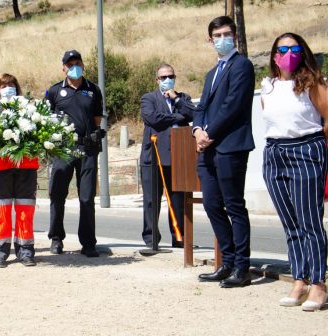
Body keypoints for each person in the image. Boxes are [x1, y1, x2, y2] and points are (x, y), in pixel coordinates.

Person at [260, 33, 328, 311]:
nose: (288, 53)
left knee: (309, 221)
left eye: (294, 48)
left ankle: (318, 283)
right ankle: (299, 279)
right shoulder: (268, 86)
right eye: (282, 48)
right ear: (274, 54)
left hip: (306, 149)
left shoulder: (313, 83)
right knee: (290, 223)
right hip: (275, 153)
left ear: (303, 51)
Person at [194, 16, 255, 288]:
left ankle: (242, 267)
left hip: (230, 146)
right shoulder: (212, 73)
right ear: (209, 40)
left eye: (226, 34)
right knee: (211, 204)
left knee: (234, 206)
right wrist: (197, 130)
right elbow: (201, 107)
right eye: (216, 35)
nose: (222, 39)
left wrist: (209, 133)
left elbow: (233, 105)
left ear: (235, 36)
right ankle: (227, 261)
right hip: (207, 148)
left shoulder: (242, 66)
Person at [46, 50, 104, 258]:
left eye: (77, 63)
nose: (74, 67)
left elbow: (97, 119)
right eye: (70, 64)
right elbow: (46, 119)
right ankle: (56, 238)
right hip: (63, 149)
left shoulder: (93, 90)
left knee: (87, 197)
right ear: (63, 68)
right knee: (57, 194)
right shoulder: (54, 91)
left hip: (87, 149)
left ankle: (88, 242)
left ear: (83, 65)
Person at [139, 63, 194, 248]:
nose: (167, 80)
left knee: (178, 200)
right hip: (153, 157)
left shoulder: (183, 98)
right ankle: (151, 238)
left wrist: (175, 99)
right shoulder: (148, 98)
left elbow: (191, 113)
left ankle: (179, 239)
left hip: (177, 156)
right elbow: (152, 119)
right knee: (151, 200)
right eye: (163, 77)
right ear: (157, 80)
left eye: (170, 76)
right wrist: (178, 117)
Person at [0, 74, 38, 268]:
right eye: (3, 85)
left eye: (11, 85)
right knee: (1, 210)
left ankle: (25, 251)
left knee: (25, 209)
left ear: (17, 88)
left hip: (26, 164)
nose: (7, 88)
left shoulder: (29, 108)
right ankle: (0, 251)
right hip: (0, 166)